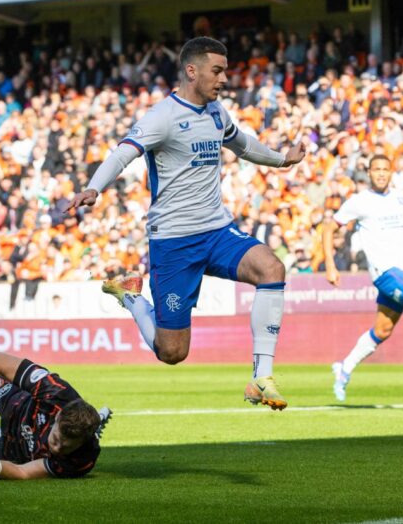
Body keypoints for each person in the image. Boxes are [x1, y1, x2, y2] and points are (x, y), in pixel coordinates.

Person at [66, 37, 304, 410]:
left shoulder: (216, 113)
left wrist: (282, 160)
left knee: (271, 267)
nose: (224, 79)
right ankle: (131, 297)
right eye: (217, 71)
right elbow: (122, 154)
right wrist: (93, 188)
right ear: (192, 71)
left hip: (216, 230)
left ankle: (261, 377)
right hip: (174, 241)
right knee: (172, 352)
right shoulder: (162, 117)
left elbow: (243, 146)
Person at [323, 154, 403, 401]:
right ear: (369, 173)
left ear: (392, 173)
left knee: (382, 331)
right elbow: (329, 228)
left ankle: (344, 369)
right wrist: (330, 264)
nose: (381, 173)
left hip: (401, 272)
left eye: (385, 169)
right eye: (376, 169)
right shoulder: (359, 201)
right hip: (386, 274)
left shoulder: (402, 200)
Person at [0, 352, 111, 480]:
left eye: (66, 447)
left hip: (19, 454)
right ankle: (93, 423)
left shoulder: (82, 460)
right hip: (14, 404)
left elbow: (23, 472)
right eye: (56, 439)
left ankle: (0, 438)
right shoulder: (55, 392)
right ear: (58, 415)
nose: (56, 449)